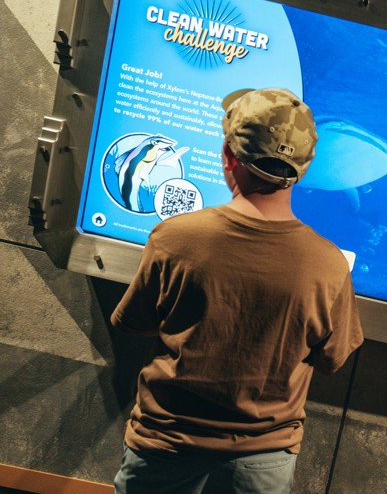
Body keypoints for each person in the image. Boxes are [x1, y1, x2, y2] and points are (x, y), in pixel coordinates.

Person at [111, 88, 363, 493]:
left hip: (166, 445)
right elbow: (332, 358)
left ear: (228, 154)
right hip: (262, 460)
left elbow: (133, 322)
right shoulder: (329, 265)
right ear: (303, 169)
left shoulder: (175, 238)